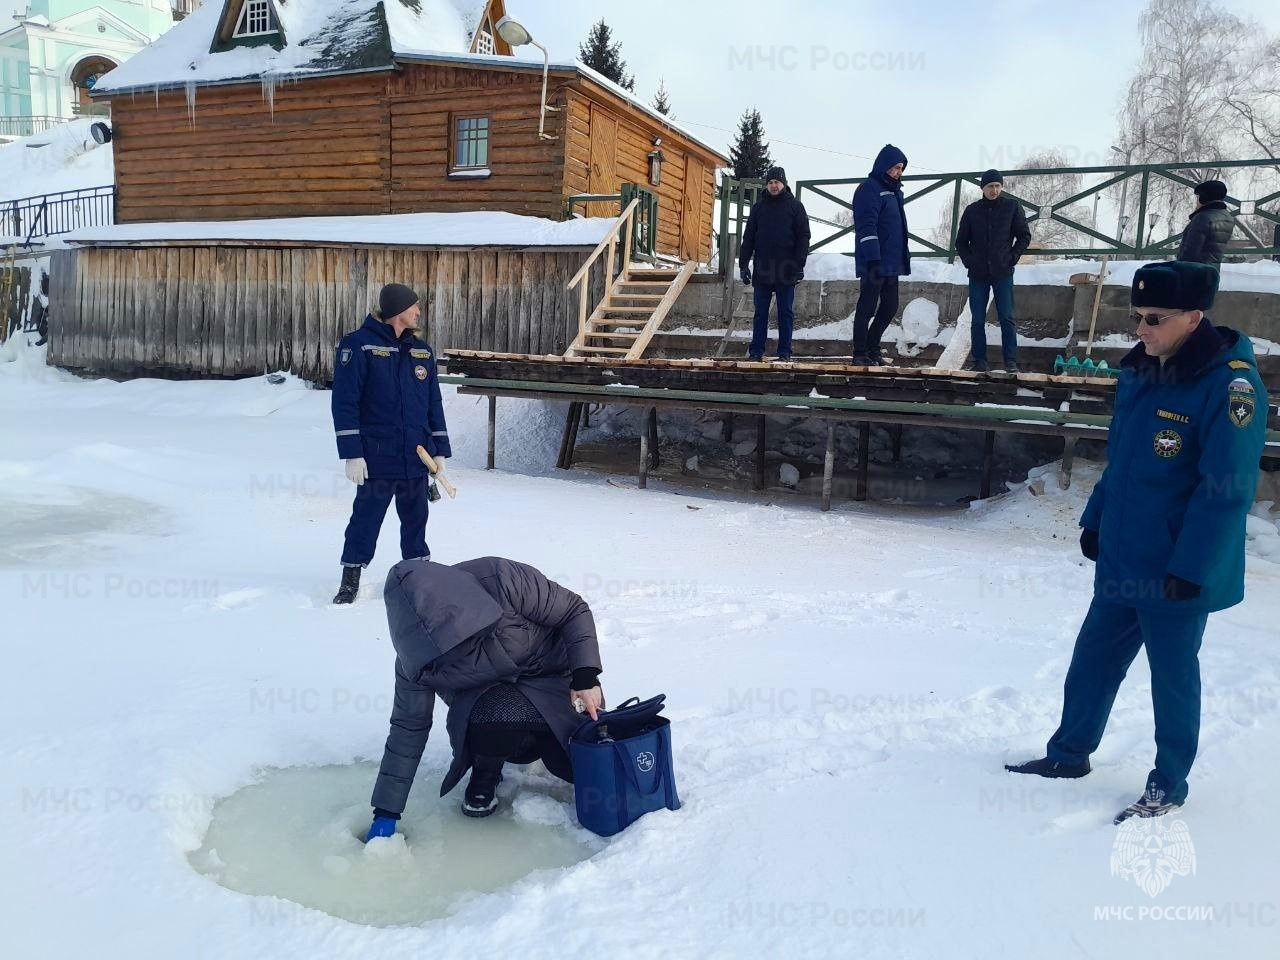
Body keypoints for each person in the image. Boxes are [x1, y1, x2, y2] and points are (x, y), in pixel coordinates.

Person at [1006, 261, 1268, 824]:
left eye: (1155, 319)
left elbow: (1226, 490)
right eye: (1137, 316)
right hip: (1126, 556)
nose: (1140, 329)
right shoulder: (1142, 372)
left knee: (1172, 680)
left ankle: (1168, 783)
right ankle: (1068, 755)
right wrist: (1095, 519)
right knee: (1092, 663)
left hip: (1176, 570)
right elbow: (1121, 461)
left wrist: (1193, 567)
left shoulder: (1231, 386)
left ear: (1194, 318)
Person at [365, 556, 604, 837]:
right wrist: (386, 812)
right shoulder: (416, 663)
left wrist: (585, 675)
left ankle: (555, 744)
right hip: (490, 708)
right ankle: (485, 771)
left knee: (577, 770)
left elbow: (572, 610)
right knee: (495, 712)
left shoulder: (500, 578)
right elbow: (409, 726)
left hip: (554, 684)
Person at [330, 283, 451, 605]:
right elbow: (345, 402)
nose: (418, 312)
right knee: (365, 519)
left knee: (416, 521)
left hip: (415, 456)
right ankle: (350, 578)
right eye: (414, 307)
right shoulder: (359, 346)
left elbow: (433, 404)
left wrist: (439, 450)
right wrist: (352, 454)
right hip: (377, 456)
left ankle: (417, 577)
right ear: (399, 310)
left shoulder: (421, 351)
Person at [955, 169, 1031, 372]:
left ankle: (1011, 361)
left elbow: (1024, 236)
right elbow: (961, 242)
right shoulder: (972, 210)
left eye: (997, 186)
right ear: (983, 188)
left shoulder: (1012, 207)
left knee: (1007, 317)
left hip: (1002, 272)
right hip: (978, 274)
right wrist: (970, 262)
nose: (994, 190)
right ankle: (979, 361)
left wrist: (1012, 257)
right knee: (977, 319)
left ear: (1002, 187)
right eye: (990, 186)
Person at [738, 166, 811, 361]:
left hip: (786, 268)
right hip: (763, 268)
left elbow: (803, 237)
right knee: (760, 314)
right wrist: (743, 264)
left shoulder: (795, 207)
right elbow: (749, 238)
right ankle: (756, 352)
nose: (773, 186)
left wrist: (799, 266)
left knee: (785, 313)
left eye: (776, 182)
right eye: (770, 182)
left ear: (784, 184)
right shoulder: (758, 208)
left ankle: (785, 352)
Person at [852, 144, 910, 365]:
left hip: (891, 262)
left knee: (890, 306)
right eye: (896, 167)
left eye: (901, 168)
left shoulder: (895, 193)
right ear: (884, 166)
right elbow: (867, 226)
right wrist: (873, 258)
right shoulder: (869, 189)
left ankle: (872, 348)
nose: (899, 172)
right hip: (874, 261)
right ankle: (859, 353)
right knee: (867, 306)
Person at [1176, 179, 1235, 267]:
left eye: (1198, 197)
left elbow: (1190, 252)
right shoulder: (1228, 217)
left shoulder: (1202, 218)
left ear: (1204, 197)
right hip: (1212, 272)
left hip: (1194, 273)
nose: (1196, 201)